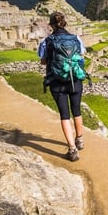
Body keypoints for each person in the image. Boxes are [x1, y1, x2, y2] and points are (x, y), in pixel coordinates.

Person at [39, 11, 87, 162]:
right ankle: (80, 140)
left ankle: (72, 150)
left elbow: (43, 61)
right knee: (77, 110)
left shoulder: (47, 41)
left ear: (51, 25)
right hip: (75, 80)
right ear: (64, 22)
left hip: (57, 81)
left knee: (64, 114)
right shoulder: (75, 38)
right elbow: (81, 55)